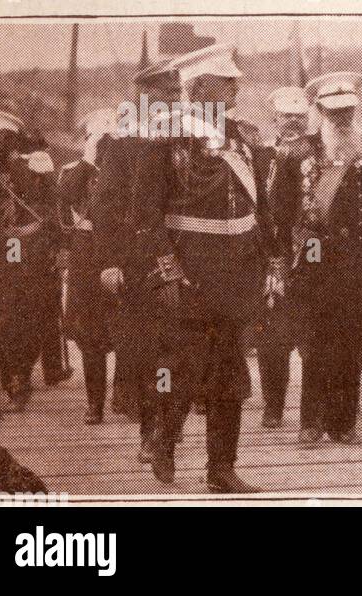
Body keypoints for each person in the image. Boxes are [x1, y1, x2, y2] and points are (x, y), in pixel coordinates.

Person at [121, 44, 269, 492]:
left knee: (230, 373)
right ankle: (164, 440)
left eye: (234, 81)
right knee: (180, 369)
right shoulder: (164, 137)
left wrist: (270, 259)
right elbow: (143, 213)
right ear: (200, 87)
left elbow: (258, 206)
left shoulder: (241, 136)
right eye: (226, 82)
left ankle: (221, 470)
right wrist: (167, 267)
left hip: (237, 272)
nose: (236, 87)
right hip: (189, 271)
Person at [272, 72, 362, 446]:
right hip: (313, 255)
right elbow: (279, 211)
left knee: (353, 341)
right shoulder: (297, 152)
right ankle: (311, 421)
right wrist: (281, 259)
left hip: (359, 258)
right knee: (315, 341)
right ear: (318, 112)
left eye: (348, 111)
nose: (342, 119)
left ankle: (344, 422)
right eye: (334, 113)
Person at [95, 59, 182, 463]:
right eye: (163, 97)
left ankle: (166, 423)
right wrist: (111, 262)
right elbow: (106, 208)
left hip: (184, 256)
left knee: (177, 349)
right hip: (139, 261)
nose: (170, 103)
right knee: (150, 351)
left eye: (174, 96)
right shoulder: (121, 145)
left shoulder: (185, 141)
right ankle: (152, 427)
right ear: (144, 100)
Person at [0, 109, 58, 412]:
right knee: (3, 317)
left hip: (28, 254)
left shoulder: (33, 168)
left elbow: (51, 210)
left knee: (24, 318)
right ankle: (11, 378)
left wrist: (29, 230)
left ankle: (20, 377)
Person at [56, 108, 121, 424]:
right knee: (89, 334)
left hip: (120, 251)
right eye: (99, 138)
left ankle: (126, 397)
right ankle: (95, 403)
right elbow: (65, 197)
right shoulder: (74, 170)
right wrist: (89, 158)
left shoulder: (126, 168)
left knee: (126, 326)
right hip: (85, 256)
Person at [254, 86, 311, 429]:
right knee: (272, 334)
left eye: (299, 116)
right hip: (272, 254)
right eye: (286, 116)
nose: (292, 121)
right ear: (274, 119)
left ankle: (316, 410)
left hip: (311, 255)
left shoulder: (319, 156)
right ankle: (273, 405)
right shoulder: (261, 157)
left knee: (312, 333)